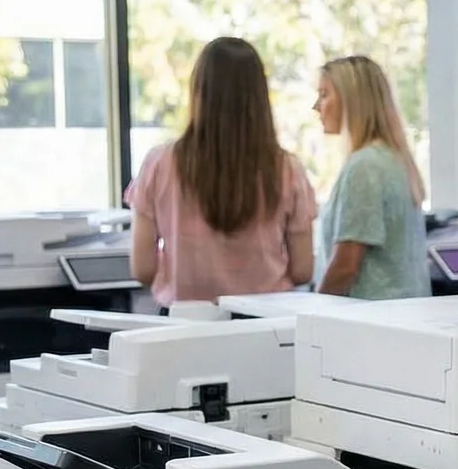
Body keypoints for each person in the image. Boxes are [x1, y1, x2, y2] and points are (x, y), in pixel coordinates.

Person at [126, 37, 317, 308]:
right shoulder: (288, 169)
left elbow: (143, 268)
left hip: (184, 326)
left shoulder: (159, 164)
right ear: (259, 96)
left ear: (198, 91)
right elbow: (303, 270)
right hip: (264, 325)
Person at [312, 54, 430, 300]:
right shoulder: (395, 160)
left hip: (370, 324)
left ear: (351, 100)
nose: (316, 106)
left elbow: (345, 267)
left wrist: (312, 314)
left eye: (324, 95)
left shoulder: (364, 167)